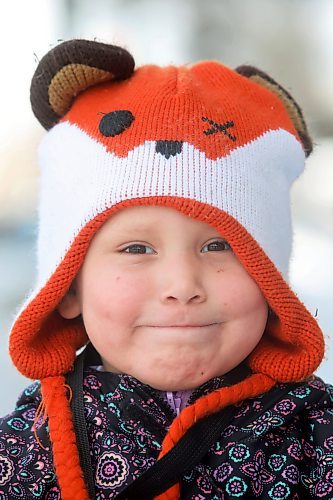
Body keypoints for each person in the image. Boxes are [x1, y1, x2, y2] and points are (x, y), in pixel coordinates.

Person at [0, 39, 332, 500]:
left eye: (220, 245)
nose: (182, 286)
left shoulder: (316, 437)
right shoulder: (24, 449)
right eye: (136, 248)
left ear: (270, 280)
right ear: (69, 286)